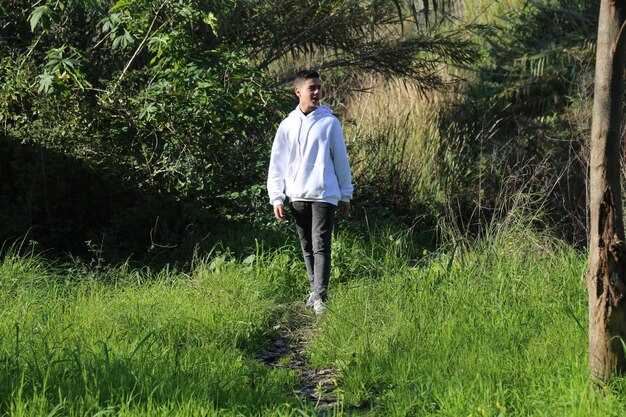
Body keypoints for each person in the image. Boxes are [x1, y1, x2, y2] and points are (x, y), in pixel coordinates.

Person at [267, 69, 353, 315]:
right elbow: (278, 163)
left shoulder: (329, 122)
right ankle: (315, 291)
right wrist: (277, 196)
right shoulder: (287, 125)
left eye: (318, 87)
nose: (316, 92)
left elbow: (341, 161)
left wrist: (345, 194)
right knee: (306, 245)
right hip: (297, 195)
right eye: (311, 88)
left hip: (325, 195)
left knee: (321, 245)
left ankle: (320, 297)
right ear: (298, 92)